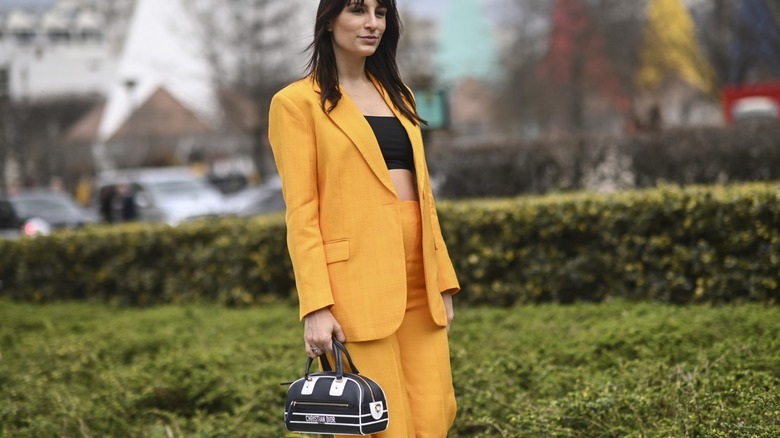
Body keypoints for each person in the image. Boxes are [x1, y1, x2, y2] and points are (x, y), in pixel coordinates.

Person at [268, 1, 460, 436]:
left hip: (419, 282)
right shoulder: (296, 104)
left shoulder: (400, 96)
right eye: (358, 10)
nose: (372, 23)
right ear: (329, 19)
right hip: (355, 288)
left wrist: (443, 280)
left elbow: (424, 198)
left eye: (381, 12)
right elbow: (301, 212)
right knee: (377, 424)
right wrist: (316, 305)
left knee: (434, 417)